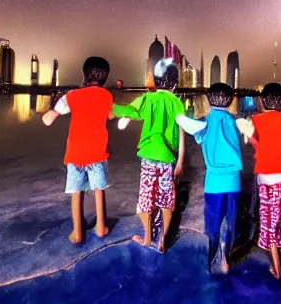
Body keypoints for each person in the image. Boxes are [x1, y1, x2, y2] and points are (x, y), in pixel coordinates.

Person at [236, 83, 281, 280]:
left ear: (263, 101)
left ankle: (277, 269)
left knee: (269, 224)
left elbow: (247, 138)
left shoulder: (256, 119)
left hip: (266, 181)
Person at [112, 67, 185, 252]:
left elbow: (128, 110)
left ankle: (147, 238)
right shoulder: (177, 102)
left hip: (148, 156)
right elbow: (182, 130)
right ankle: (163, 239)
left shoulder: (147, 98)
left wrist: (109, 105)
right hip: (167, 157)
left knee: (146, 197)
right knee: (166, 198)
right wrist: (181, 160)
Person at [42, 56, 113, 244]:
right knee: (99, 190)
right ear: (105, 76)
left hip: (75, 153)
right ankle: (100, 228)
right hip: (98, 152)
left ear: (85, 74)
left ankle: (77, 232)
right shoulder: (106, 96)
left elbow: (48, 120)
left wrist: (50, 106)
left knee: (77, 192)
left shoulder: (71, 96)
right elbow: (111, 114)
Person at [176, 83, 243, 274]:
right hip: (234, 181)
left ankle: (212, 257)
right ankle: (226, 257)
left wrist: (178, 107)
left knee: (213, 220)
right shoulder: (235, 120)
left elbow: (182, 120)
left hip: (214, 182)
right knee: (231, 220)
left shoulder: (204, 122)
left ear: (208, 99)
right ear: (230, 101)